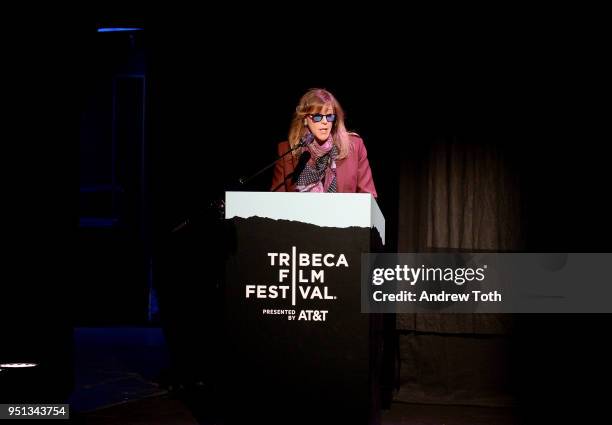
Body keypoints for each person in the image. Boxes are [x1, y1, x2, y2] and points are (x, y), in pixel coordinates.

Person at [271, 88, 377, 197]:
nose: (325, 122)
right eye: (317, 117)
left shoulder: (354, 146)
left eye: (329, 116)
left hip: (342, 213)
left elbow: (368, 198)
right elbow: (276, 201)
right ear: (305, 119)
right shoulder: (287, 150)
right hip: (299, 214)